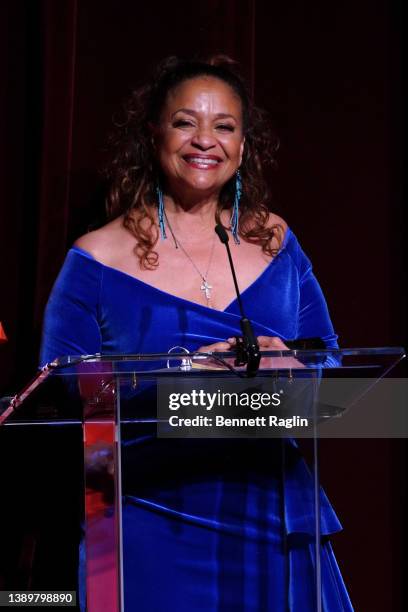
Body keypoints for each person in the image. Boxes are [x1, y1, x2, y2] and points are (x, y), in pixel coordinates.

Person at [40, 56, 353, 610]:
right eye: (186, 122)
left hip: (269, 517)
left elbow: (334, 378)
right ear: (153, 133)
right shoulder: (95, 257)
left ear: (244, 145)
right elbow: (63, 393)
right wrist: (182, 376)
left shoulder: (277, 242)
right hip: (145, 517)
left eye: (224, 126)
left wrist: (288, 363)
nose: (204, 140)